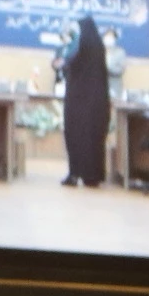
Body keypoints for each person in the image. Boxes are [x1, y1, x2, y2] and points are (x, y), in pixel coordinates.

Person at [60, 16, 109, 186]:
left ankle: (74, 174)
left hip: (77, 101)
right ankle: (93, 176)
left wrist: (64, 64)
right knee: (94, 138)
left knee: (75, 136)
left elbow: (69, 63)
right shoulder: (99, 46)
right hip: (98, 102)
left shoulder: (80, 45)